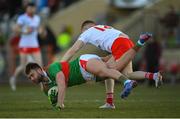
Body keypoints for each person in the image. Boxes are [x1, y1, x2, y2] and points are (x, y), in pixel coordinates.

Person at [60, 20, 162, 109]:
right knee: (128, 74)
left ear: (84, 29)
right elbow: (124, 36)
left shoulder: (86, 33)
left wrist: (60, 66)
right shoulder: (105, 28)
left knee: (110, 70)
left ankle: (140, 42)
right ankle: (154, 75)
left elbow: (72, 50)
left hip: (118, 44)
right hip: (126, 41)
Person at [25, 54, 162, 110]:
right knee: (119, 70)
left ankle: (136, 46)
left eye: (32, 75)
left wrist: (60, 104)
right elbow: (53, 100)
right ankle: (153, 76)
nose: (31, 79)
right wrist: (55, 103)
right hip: (89, 76)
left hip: (82, 64)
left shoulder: (52, 68)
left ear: (38, 69)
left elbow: (61, 83)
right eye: (29, 78)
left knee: (110, 71)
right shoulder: (44, 88)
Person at [9, 3, 43, 91]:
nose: (31, 10)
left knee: (40, 65)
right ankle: (13, 79)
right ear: (26, 9)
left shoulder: (37, 18)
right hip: (24, 45)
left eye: (33, 8)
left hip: (34, 44)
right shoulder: (22, 18)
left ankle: (42, 84)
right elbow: (15, 29)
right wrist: (24, 31)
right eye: (30, 8)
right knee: (23, 66)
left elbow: (39, 29)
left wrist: (41, 31)